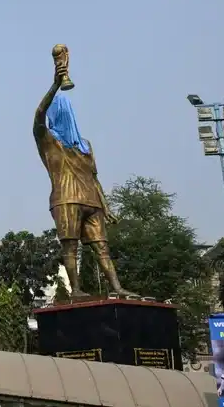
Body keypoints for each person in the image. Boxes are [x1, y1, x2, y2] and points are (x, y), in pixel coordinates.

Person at [33, 66, 136, 297]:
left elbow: (94, 178)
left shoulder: (84, 145)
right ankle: (77, 290)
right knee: (74, 247)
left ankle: (117, 288)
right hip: (69, 199)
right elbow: (38, 117)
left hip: (87, 201)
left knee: (98, 247)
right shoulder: (49, 140)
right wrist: (56, 85)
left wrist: (106, 207)